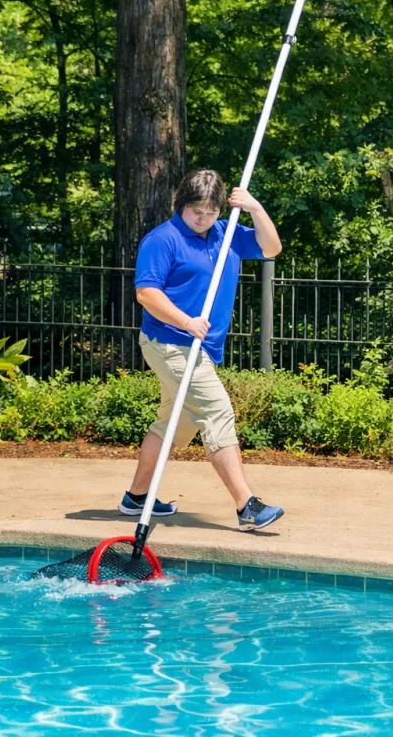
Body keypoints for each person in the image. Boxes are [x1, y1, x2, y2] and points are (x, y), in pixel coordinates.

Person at [122, 169, 285, 531]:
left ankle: (135, 498)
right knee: (216, 410)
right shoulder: (162, 240)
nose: (202, 219)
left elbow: (272, 248)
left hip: (201, 346)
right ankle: (247, 505)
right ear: (180, 204)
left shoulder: (226, 235)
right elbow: (146, 293)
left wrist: (255, 208)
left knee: (172, 424)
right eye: (196, 210)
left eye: (210, 212)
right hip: (169, 342)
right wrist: (186, 321)